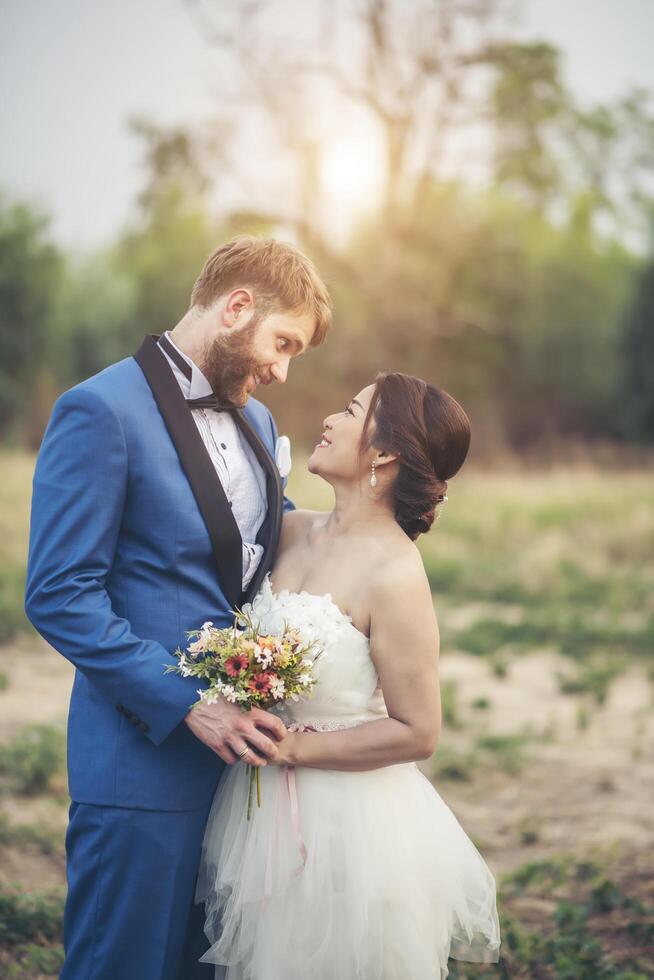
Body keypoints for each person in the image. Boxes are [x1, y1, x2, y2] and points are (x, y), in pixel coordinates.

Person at [24, 235, 333, 980]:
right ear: (235, 307)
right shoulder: (99, 410)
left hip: (238, 775)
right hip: (142, 763)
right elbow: (59, 593)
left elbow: (262, 557)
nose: (282, 371)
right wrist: (191, 704)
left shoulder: (257, 424)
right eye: (282, 342)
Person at [196, 373, 501, 979]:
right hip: (255, 814)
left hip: (348, 823)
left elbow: (419, 732)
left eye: (351, 409)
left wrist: (294, 752)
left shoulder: (395, 573)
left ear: (384, 452)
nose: (330, 420)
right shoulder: (288, 530)